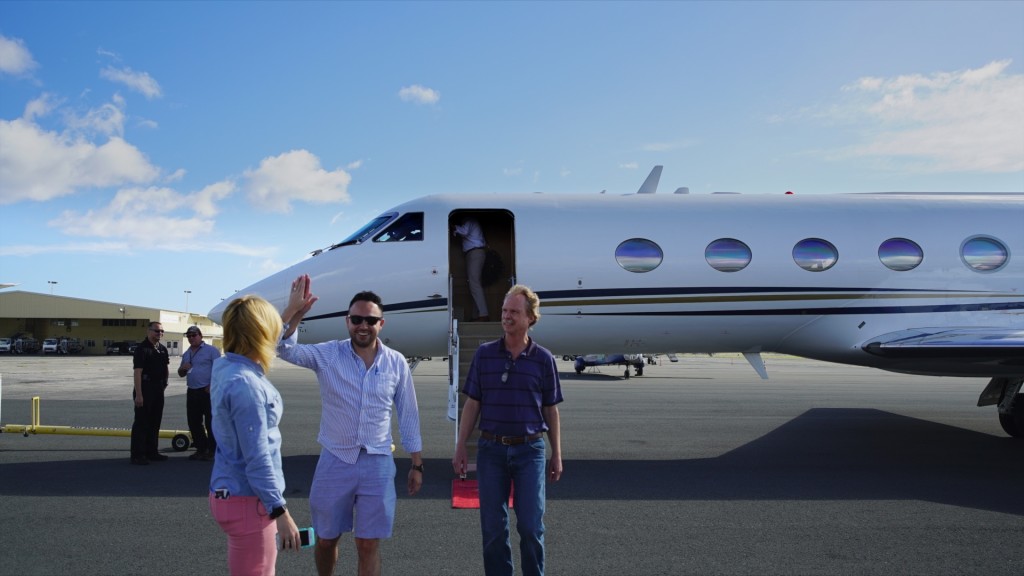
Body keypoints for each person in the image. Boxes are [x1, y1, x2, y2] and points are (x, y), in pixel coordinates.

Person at [278, 274, 424, 576]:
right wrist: (293, 313)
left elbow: (408, 412)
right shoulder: (328, 354)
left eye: (370, 320)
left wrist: (416, 463)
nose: (363, 325)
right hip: (335, 460)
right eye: (357, 319)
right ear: (347, 321)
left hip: (378, 463)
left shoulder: (396, 362)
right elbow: (283, 349)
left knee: (368, 543)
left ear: (381, 324)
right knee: (326, 539)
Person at [452, 284, 564, 576]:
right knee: (493, 528)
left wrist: (557, 454)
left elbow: (551, 410)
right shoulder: (484, 354)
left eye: (514, 312)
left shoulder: (544, 359)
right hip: (491, 451)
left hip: (530, 451)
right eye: (504, 311)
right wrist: (461, 445)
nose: (506, 316)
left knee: (530, 526)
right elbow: (472, 403)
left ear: (530, 318)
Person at [208, 295, 301, 576]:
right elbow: (257, 457)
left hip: (230, 493)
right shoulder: (247, 386)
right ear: (260, 332)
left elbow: (272, 341)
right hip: (250, 501)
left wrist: (292, 313)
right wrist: (280, 511)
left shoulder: (226, 366)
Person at [178, 325, 222, 461]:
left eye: (194, 335)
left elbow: (219, 370)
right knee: (194, 422)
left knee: (211, 421)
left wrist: (211, 385)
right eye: (188, 336)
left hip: (207, 391)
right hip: (192, 391)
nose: (191, 338)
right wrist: (183, 369)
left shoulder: (211, 351)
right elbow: (180, 373)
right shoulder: (186, 354)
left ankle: (213, 450)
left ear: (200, 336)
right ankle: (201, 448)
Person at [130, 321, 170, 465]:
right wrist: (139, 394)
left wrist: (165, 382)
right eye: (156, 331)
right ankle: (137, 454)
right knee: (142, 422)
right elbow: (137, 373)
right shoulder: (142, 349)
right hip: (145, 388)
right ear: (148, 331)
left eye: (161, 331)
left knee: (155, 421)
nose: (159, 334)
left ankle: (152, 451)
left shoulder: (163, 349)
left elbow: (165, 367)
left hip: (158, 388)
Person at [453, 216, 490, 321]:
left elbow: (464, 231)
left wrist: (453, 227)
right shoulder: (471, 222)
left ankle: (483, 314)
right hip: (473, 253)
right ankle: (476, 315)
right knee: (473, 284)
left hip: (475, 252)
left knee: (474, 284)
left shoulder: (470, 221)